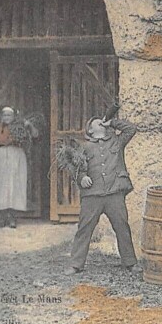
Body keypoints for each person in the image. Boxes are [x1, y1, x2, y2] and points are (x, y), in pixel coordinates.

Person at [65, 114, 140, 275]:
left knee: (122, 227)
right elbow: (75, 168)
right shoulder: (83, 146)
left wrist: (112, 122)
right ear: (90, 130)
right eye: (97, 122)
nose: (101, 123)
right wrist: (82, 178)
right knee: (84, 229)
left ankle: (130, 262)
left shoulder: (117, 142)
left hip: (114, 193)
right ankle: (75, 264)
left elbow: (131, 129)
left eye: (103, 122)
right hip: (92, 194)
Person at [0, 106, 38, 228]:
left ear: (14, 117)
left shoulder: (20, 127)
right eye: (4, 115)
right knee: (0, 186)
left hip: (16, 156)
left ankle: (12, 218)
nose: (6, 118)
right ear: (1, 117)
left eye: (9, 115)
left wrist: (29, 125)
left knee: (15, 186)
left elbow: (35, 135)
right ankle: (0, 218)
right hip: (0, 156)